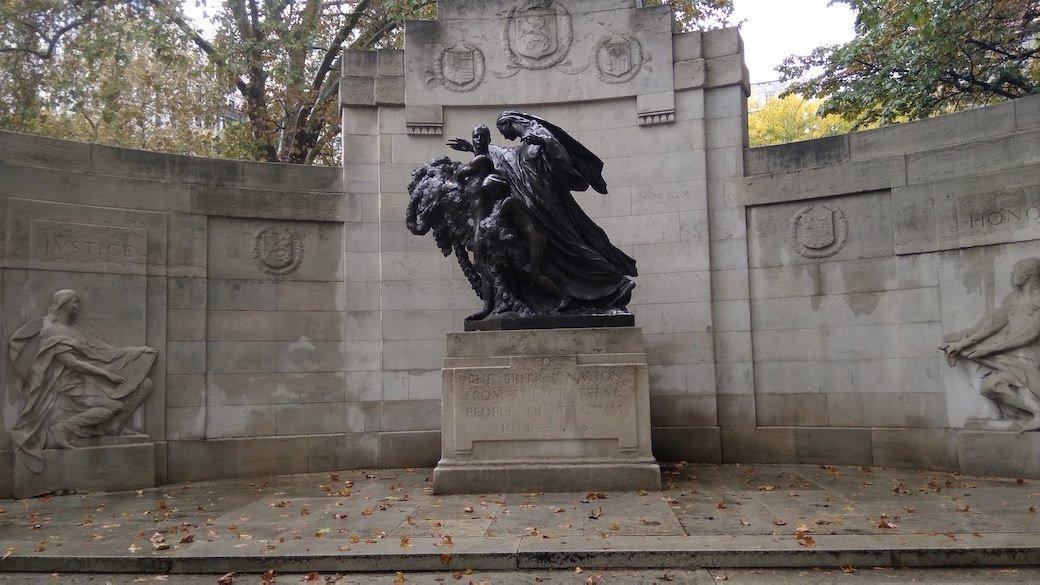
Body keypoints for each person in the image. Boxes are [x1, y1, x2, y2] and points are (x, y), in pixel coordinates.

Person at [447, 111, 636, 316]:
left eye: (503, 131)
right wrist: (473, 148)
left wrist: (544, 142)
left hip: (548, 201)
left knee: (571, 242)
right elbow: (505, 156)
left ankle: (612, 281)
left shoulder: (540, 134)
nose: (506, 136)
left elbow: (562, 160)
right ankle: (562, 295)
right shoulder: (522, 146)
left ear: (510, 123)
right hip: (533, 204)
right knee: (555, 251)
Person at [9, 290, 156, 472]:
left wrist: (136, 352)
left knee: (146, 385)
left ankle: (113, 426)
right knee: (115, 406)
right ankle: (65, 428)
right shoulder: (52, 331)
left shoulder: (72, 330)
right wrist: (106, 375)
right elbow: (74, 364)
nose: (77, 306)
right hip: (71, 385)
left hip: (87, 378)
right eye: (74, 302)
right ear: (64, 304)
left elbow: (101, 352)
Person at [942, 258, 1040, 431]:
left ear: (1030, 274)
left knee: (987, 373)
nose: (1013, 274)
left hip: (1027, 357)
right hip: (1008, 353)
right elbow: (993, 324)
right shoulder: (1014, 298)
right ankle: (1035, 411)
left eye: (1018, 270)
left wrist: (992, 348)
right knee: (989, 385)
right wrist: (963, 343)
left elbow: (1030, 334)